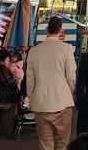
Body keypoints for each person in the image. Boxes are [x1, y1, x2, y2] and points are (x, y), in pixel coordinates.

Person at [27, 16, 77, 150]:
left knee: (45, 144)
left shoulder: (33, 51)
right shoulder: (67, 49)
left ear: (47, 29)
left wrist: (31, 97)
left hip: (41, 103)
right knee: (62, 143)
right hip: (63, 102)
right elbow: (71, 76)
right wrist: (70, 93)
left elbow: (30, 80)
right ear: (60, 30)